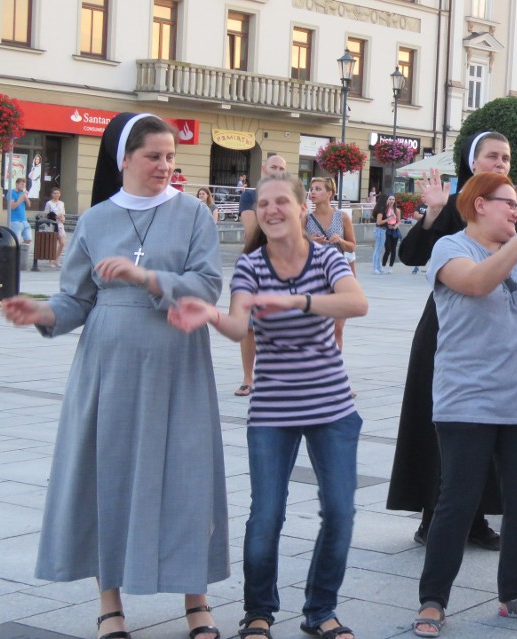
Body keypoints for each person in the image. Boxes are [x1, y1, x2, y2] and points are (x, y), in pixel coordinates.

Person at [1, 112, 228, 639]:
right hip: (107, 367)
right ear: (124, 159)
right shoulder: (96, 220)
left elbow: (207, 287)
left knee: (185, 477)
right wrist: (42, 313)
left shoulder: (194, 213)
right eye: (154, 157)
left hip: (178, 365)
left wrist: (146, 276)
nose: (165, 166)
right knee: (109, 475)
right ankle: (110, 603)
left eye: (171, 157)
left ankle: (196, 599)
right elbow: (75, 298)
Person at [167, 171, 367, 639]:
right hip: (273, 411)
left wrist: (295, 301)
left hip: (332, 406)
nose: (274, 210)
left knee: (339, 511)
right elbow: (239, 325)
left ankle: (321, 611)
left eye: (284, 201)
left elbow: (356, 303)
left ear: (302, 208)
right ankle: (258, 612)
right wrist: (209, 314)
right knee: (266, 514)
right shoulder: (252, 266)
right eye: (265, 204)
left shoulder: (327, 257)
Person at [413, 171, 517, 637]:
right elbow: (477, 283)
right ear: (479, 204)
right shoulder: (450, 248)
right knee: (457, 502)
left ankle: (516, 594)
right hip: (466, 400)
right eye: (509, 203)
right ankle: (433, 600)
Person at [386, 131, 517, 551]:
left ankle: (478, 517)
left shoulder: (512, 207)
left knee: (488, 425)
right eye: (492, 156)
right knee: (443, 423)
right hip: (447, 330)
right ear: (472, 161)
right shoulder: (454, 207)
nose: (500, 163)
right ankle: (434, 515)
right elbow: (412, 256)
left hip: (498, 329)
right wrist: (431, 214)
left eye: (505, 157)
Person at [236, 154, 288, 396]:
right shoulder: (250, 196)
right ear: (264, 170)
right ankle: (248, 378)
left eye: (282, 168)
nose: (277, 170)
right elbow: (251, 232)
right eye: (273, 167)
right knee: (248, 327)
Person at [306, 176, 357, 351]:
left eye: (318, 189)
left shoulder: (342, 217)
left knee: (337, 329)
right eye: (312, 189)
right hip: (315, 277)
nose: (313, 192)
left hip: (338, 277)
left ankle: (334, 369)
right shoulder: (306, 219)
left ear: (330, 193)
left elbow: (352, 247)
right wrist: (311, 243)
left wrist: (341, 242)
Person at [44, 188, 67, 267]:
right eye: (55, 193)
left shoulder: (61, 203)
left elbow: (63, 213)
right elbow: (46, 214)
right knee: (52, 243)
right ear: (52, 194)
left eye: (58, 193)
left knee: (62, 242)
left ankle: (57, 258)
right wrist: (54, 216)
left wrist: (63, 218)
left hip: (60, 224)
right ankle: (51, 260)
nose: (56, 195)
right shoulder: (49, 203)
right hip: (52, 224)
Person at [381, 195, 402, 273]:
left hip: (394, 230)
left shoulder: (397, 210)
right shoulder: (384, 210)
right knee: (388, 249)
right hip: (387, 229)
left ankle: (391, 267)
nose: (391, 201)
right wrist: (387, 224)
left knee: (393, 250)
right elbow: (381, 220)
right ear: (387, 200)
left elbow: (399, 221)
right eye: (390, 199)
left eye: (393, 199)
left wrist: (396, 226)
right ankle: (383, 265)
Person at [9, 177, 32, 244]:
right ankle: (16, 253)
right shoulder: (11, 193)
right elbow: (13, 206)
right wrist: (21, 198)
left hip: (24, 220)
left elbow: (29, 205)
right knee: (16, 241)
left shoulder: (22, 193)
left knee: (28, 239)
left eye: (24, 185)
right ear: (17, 184)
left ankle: (22, 252)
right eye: (21, 184)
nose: (23, 186)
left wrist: (25, 197)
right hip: (15, 221)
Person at [370, 193, 389, 275]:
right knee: (377, 249)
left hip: (381, 230)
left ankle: (378, 267)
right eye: (388, 199)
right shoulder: (381, 209)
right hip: (380, 230)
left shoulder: (382, 208)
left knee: (379, 249)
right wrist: (388, 219)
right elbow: (379, 222)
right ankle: (375, 268)